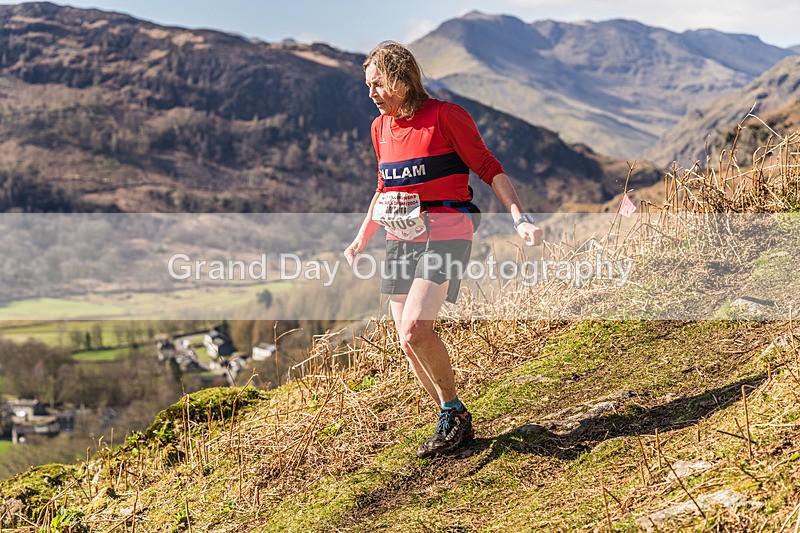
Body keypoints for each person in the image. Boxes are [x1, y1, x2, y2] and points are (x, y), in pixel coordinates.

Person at [344, 41, 542, 458]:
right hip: (400, 238)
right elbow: (384, 187)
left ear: (402, 79)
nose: (371, 93)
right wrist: (362, 237)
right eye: (368, 86)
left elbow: (489, 168)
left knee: (415, 327)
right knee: (406, 341)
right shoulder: (379, 128)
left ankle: (451, 410)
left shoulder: (446, 116)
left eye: (378, 84)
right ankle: (453, 417)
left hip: (448, 231)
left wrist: (520, 218)